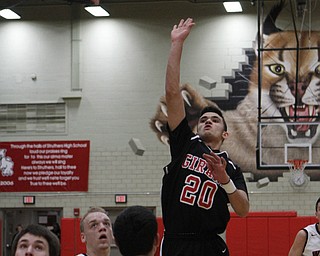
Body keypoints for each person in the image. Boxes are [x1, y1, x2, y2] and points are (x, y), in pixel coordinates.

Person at [161, 18, 250, 256]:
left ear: (225, 133)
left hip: (211, 244)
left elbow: (243, 209)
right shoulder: (185, 144)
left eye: (215, 119)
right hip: (176, 242)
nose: (208, 120)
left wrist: (224, 181)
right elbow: (171, 93)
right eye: (203, 119)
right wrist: (176, 44)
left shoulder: (231, 168)